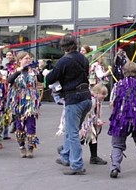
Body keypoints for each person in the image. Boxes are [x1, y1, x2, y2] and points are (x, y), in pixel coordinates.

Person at [46, 34, 92, 175]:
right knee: (71, 128)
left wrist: (46, 72)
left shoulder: (63, 61)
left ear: (63, 47)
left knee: (72, 133)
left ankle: (77, 165)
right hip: (86, 98)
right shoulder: (83, 59)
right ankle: (66, 155)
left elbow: (50, 79)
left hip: (74, 99)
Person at [108, 61, 136, 179]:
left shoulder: (118, 85)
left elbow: (112, 103)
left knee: (117, 144)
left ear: (123, 72)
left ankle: (115, 166)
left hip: (121, 120)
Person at [7, 51, 44, 159]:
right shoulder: (14, 70)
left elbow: (41, 80)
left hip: (31, 102)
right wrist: (17, 72)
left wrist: (40, 69)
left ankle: (30, 147)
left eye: (29, 58)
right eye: (25, 59)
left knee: (31, 125)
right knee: (19, 126)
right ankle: (21, 146)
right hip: (19, 102)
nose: (28, 60)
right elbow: (9, 81)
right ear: (19, 61)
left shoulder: (34, 71)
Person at [81, 83, 108, 165]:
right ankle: (66, 149)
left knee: (93, 139)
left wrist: (97, 120)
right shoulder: (92, 101)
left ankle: (94, 157)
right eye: (103, 94)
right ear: (96, 93)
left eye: (105, 94)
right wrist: (95, 120)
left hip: (91, 122)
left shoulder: (97, 101)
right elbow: (89, 113)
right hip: (87, 123)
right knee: (85, 138)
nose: (104, 96)